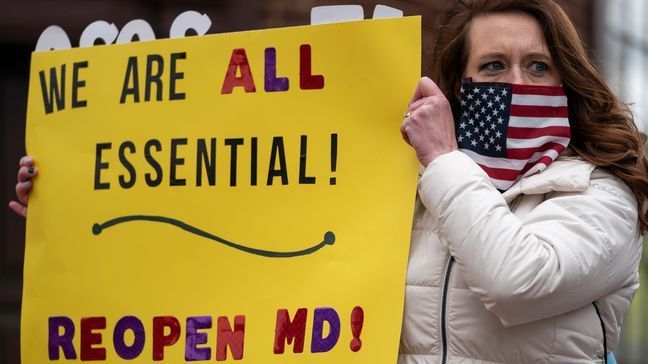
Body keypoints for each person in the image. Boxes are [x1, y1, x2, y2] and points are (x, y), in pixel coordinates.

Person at [10, 0, 647, 363]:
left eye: (538, 65)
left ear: (567, 79)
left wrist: (442, 161)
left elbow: (517, 279)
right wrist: (75, 207)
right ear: (460, 87)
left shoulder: (597, 195)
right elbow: (253, 241)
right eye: (492, 65)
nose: (515, 83)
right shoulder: (417, 182)